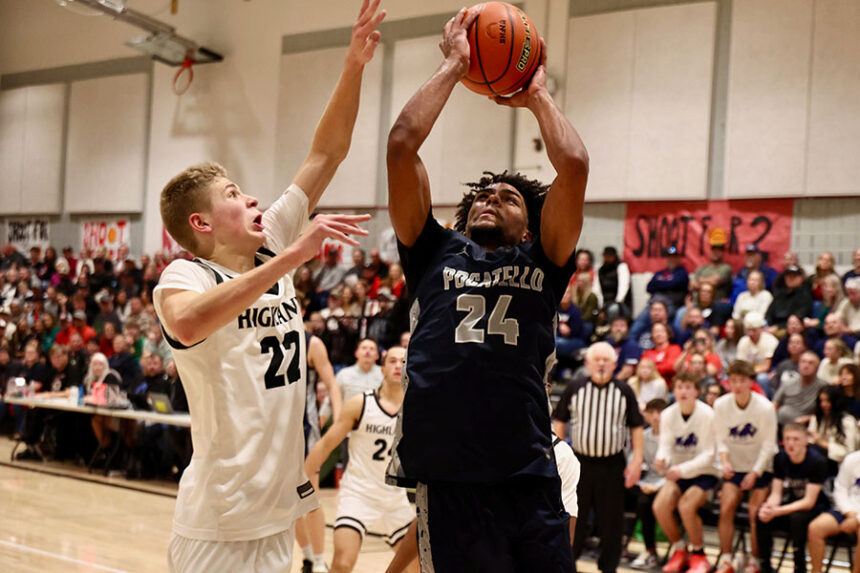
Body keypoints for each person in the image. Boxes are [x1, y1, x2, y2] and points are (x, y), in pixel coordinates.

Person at [151, 3, 385, 570]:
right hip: (219, 524)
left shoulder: (269, 244)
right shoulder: (185, 275)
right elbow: (185, 323)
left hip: (277, 517)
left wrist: (353, 64)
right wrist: (294, 257)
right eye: (233, 194)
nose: (252, 198)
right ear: (200, 224)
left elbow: (326, 152)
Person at [384, 7, 589, 570]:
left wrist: (537, 95)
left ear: (530, 225)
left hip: (525, 469)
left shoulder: (545, 259)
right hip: (449, 474)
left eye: (509, 195)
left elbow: (572, 165)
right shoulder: (432, 251)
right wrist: (456, 64)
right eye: (482, 194)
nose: (490, 196)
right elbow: (402, 146)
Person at [304, 346, 417, 573]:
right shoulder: (360, 403)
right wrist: (301, 478)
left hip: (395, 500)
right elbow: (326, 444)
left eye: (402, 361)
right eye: (392, 361)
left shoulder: (416, 410)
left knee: (418, 567)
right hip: (358, 494)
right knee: (343, 563)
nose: (397, 365)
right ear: (382, 369)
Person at [552, 342, 644, 573]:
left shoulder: (624, 390)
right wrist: (561, 455)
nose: (601, 364)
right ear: (587, 363)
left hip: (612, 465)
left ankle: (609, 568)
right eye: (597, 360)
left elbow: (637, 427)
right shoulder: (575, 387)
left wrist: (636, 461)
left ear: (614, 364)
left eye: (606, 360)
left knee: (611, 522)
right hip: (580, 464)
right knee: (574, 518)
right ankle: (567, 565)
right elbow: (560, 421)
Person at [713, 360, 778, 573]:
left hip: (760, 466)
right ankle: (726, 558)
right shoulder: (721, 405)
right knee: (726, 507)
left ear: (751, 382)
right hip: (735, 465)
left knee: (754, 513)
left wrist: (755, 472)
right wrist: (724, 462)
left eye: (742, 381)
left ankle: (755, 560)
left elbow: (769, 445)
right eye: (733, 381)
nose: (737, 385)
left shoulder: (765, 407)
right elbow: (720, 439)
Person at [653, 373, 718, 573]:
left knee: (686, 506)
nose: (683, 391)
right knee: (660, 506)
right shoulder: (667, 414)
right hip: (678, 472)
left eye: (688, 387)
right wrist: (661, 459)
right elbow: (665, 446)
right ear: (674, 391)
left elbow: (709, 454)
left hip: (705, 472)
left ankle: (700, 555)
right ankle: (680, 550)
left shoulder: (707, 414)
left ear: (697, 391)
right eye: (679, 387)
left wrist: (681, 469)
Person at [297, 331, 343, 573]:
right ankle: (306, 557)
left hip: (304, 430)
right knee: (285, 502)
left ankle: (317, 561)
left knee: (309, 498)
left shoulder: (310, 343)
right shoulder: (257, 334)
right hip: (272, 429)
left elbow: (332, 384)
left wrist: (338, 421)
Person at [756, 424, 829, 573]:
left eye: (796, 439)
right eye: (787, 439)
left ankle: (799, 567)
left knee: (797, 519)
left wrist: (778, 511)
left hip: (816, 508)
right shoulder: (780, 458)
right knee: (761, 516)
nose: (791, 443)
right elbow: (776, 494)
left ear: (805, 441)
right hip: (790, 505)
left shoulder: (817, 461)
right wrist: (769, 508)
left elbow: (809, 502)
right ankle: (764, 566)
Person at [629, 398, 668, 570]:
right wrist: (639, 481)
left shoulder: (672, 436)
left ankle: (650, 550)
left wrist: (657, 486)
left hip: (668, 483)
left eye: (660, 412)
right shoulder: (643, 436)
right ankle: (612, 543)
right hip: (646, 482)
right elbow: (634, 462)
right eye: (652, 412)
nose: (656, 417)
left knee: (645, 503)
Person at [807, 448, 860, 573]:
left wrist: (857, 520)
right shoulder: (852, 459)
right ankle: (816, 570)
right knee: (815, 528)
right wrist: (849, 513)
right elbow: (840, 489)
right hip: (847, 510)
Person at [808, 385, 858, 476]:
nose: (823, 404)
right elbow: (810, 437)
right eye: (821, 401)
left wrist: (823, 443)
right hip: (815, 456)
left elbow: (850, 452)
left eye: (827, 401)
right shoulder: (817, 417)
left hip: (838, 463)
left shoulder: (847, 422)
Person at [774, 351, 828, 427]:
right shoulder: (788, 382)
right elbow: (775, 404)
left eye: (810, 363)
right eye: (803, 362)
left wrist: (808, 419)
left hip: (806, 426)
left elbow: (826, 412)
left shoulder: (823, 387)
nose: (806, 366)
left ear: (817, 367)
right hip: (780, 424)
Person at [736, 312, 778, 396]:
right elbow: (740, 364)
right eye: (748, 330)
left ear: (761, 328)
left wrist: (748, 373)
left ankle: (767, 401)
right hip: (747, 372)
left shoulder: (770, 340)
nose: (751, 333)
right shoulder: (743, 341)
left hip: (768, 373)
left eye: (754, 330)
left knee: (762, 378)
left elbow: (766, 366)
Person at [765, 265, 814, 331]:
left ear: (801, 278)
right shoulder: (780, 295)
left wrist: (778, 327)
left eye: (794, 276)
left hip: (791, 329)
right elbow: (769, 314)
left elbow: (799, 318)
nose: (791, 278)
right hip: (772, 328)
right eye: (788, 276)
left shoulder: (805, 295)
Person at [690, 228, 732, 301]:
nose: (716, 252)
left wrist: (700, 280)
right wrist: (709, 280)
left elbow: (715, 282)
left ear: (723, 252)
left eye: (719, 250)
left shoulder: (726, 268)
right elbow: (692, 285)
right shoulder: (701, 268)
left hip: (716, 303)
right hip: (698, 303)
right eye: (714, 249)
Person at [598, 246, 632, 314]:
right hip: (605, 303)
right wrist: (601, 307)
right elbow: (597, 289)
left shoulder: (621, 267)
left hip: (620, 304)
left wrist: (617, 303)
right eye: (606, 256)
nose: (608, 258)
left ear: (615, 256)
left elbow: (623, 288)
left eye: (610, 256)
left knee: (613, 309)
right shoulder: (601, 270)